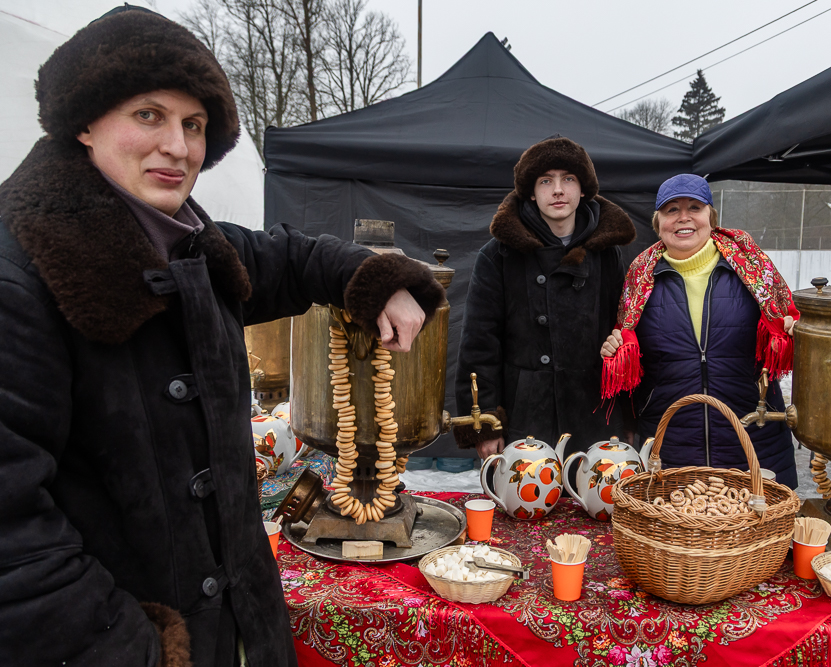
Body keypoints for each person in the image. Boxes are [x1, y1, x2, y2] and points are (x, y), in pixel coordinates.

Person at [0, 7, 444, 667]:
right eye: (148, 115)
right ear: (85, 121)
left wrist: (376, 277)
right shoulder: (24, 276)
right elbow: (13, 539)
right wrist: (132, 647)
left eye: (194, 124)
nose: (177, 147)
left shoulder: (193, 246)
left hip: (239, 631)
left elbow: (290, 258)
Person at [600, 174, 800, 488]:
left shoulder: (751, 269)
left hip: (754, 445)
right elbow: (630, 362)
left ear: (711, 217)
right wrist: (613, 349)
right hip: (671, 449)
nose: (684, 217)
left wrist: (793, 330)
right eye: (671, 210)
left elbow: (787, 332)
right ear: (658, 222)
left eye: (694, 207)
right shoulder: (639, 279)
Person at [455, 136, 636, 458]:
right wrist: (484, 423)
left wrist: (628, 417)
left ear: (583, 189)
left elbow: (625, 336)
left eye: (568, 179)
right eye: (545, 180)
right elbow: (479, 343)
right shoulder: (498, 255)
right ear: (530, 191)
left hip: (594, 412)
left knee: (593, 504)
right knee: (526, 504)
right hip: (526, 411)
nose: (557, 190)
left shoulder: (608, 254)